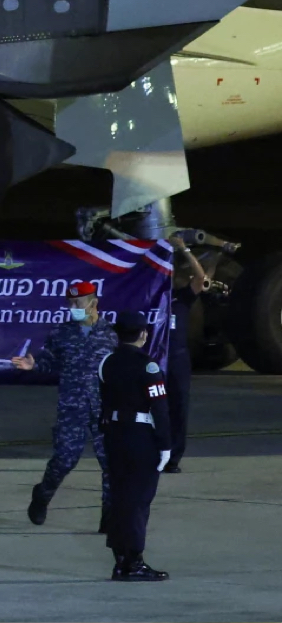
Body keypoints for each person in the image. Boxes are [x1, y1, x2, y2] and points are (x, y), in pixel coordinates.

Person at [11, 280, 117, 530]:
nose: (73, 307)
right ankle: (42, 495)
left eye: (77, 302)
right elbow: (50, 363)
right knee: (64, 460)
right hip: (72, 407)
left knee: (111, 464)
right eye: (69, 303)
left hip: (103, 409)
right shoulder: (61, 333)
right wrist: (33, 366)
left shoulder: (110, 335)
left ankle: (110, 518)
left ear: (93, 302)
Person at [99, 318, 172, 581]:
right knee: (138, 501)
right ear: (142, 334)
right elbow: (160, 408)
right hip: (141, 436)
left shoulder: (107, 362)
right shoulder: (148, 366)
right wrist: (165, 444)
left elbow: (104, 401)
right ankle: (134, 562)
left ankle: (120, 560)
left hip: (115, 435)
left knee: (120, 498)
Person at [165, 231, 231, 473]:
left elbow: (200, 279)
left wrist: (185, 250)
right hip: (153, 359)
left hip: (177, 359)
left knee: (178, 408)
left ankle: (173, 458)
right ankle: (151, 454)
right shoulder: (148, 299)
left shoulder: (180, 299)